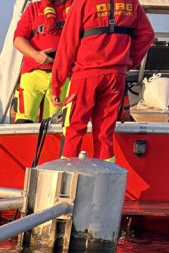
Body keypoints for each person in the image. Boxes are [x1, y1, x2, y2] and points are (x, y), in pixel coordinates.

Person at [51, 0, 154, 160]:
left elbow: (67, 45)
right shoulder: (131, 2)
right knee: (104, 133)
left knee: (74, 130)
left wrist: (56, 85)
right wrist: (127, 62)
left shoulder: (82, 2)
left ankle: (67, 173)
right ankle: (106, 173)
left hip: (85, 75)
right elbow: (147, 35)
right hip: (116, 77)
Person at [13, 0, 74, 123]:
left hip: (62, 76)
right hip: (33, 73)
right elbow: (18, 40)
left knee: (56, 123)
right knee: (23, 121)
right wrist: (36, 55)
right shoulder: (34, 9)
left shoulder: (75, 9)